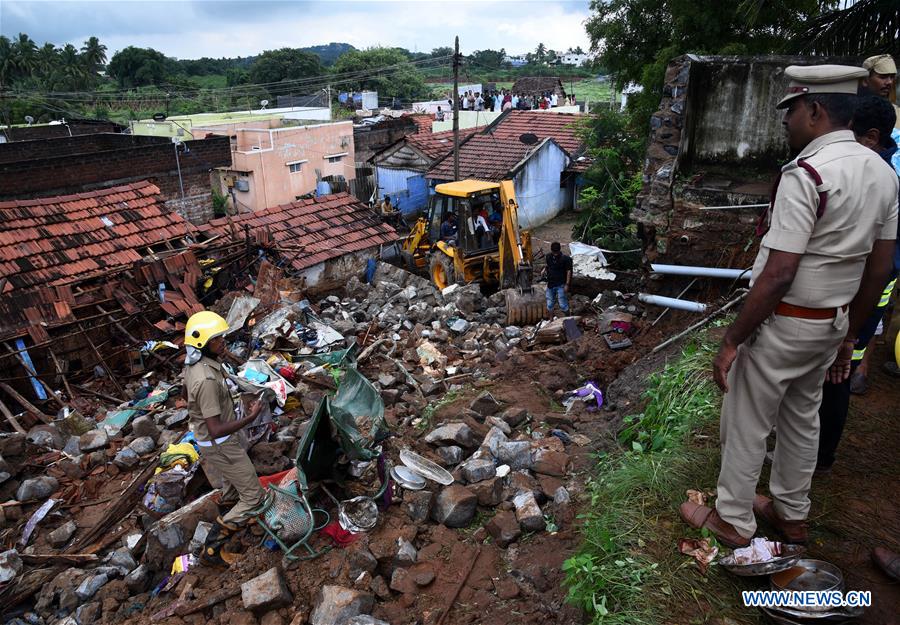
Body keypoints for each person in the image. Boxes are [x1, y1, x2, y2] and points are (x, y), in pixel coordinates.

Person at [679, 65, 898, 548]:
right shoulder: (883, 172)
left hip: (786, 324)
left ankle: (732, 520)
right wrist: (849, 337)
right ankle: (791, 513)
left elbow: (779, 272)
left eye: (792, 110)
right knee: (803, 418)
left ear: (816, 110)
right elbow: (879, 270)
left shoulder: (808, 173)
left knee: (746, 420)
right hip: (832, 323)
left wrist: (732, 339)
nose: (786, 121)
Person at [816, 95, 899, 470]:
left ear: (869, 137)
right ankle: (816, 452)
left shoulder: (878, 178)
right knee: (835, 374)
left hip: (860, 294)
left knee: (836, 374)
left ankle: (818, 456)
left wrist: (848, 331)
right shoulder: (882, 172)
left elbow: (880, 262)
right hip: (864, 293)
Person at [184, 311, 267, 565]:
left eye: (222, 337)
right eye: (217, 339)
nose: (224, 342)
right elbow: (216, 428)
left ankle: (233, 514)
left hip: (217, 444)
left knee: (232, 487)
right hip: (221, 445)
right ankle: (213, 549)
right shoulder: (206, 379)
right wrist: (250, 418)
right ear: (202, 343)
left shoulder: (199, 364)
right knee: (254, 496)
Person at [544, 242, 572, 316]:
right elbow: (548, 265)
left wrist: (567, 284)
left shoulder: (566, 259)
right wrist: (544, 269)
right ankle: (551, 321)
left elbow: (569, 271)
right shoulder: (548, 257)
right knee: (549, 304)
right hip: (550, 284)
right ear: (551, 251)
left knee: (563, 304)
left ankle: (569, 319)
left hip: (561, 284)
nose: (555, 254)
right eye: (554, 252)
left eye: (556, 252)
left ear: (559, 250)